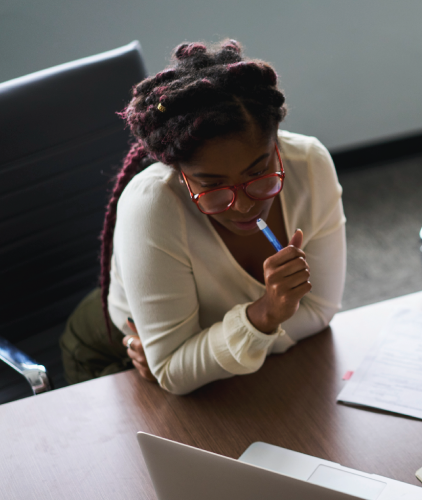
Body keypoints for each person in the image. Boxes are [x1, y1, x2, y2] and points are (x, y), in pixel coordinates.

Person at [59, 40, 346, 395]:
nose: (242, 205)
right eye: (212, 185)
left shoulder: (309, 164)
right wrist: (265, 316)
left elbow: (319, 312)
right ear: (180, 172)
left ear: (276, 146)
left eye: (259, 173)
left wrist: (200, 358)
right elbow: (173, 372)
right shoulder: (153, 204)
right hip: (115, 352)